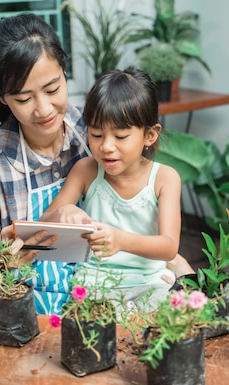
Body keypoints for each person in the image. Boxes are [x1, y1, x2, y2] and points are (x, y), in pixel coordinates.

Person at [0, 13, 192, 315]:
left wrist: (173, 265)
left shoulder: (91, 127)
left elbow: (142, 212)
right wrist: (10, 256)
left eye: (52, 89)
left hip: (105, 296)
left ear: (64, 71)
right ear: (2, 97)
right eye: (24, 99)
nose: (44, 109)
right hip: (31, 312)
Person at [40, 67, 181, 308]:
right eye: (96, 135)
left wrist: (120, 240)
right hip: (94, 285)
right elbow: (43, 227)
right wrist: (62, 214)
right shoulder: (86, 171)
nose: (106, 146)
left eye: (121, 136)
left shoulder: (165, 178)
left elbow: (169, 247)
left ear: (150, 135)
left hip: (150, 283)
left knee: (159, 329)